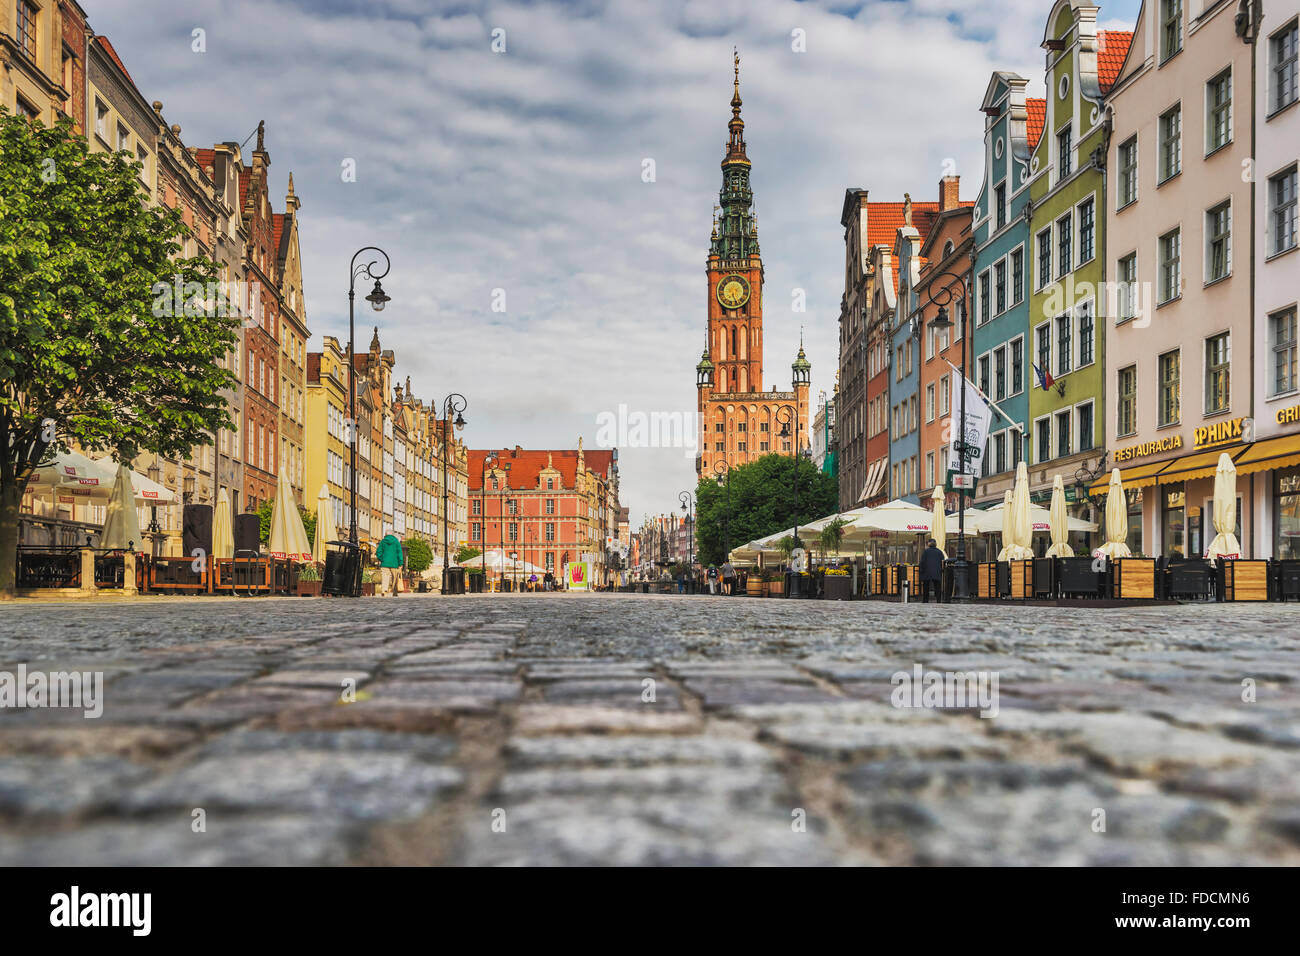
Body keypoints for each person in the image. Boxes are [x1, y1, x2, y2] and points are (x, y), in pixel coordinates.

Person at [376, 533, 404, 597]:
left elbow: (378, 552)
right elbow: (399, 553)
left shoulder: (383, 541)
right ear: (393, 535)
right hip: (395, 563)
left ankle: (384, 590)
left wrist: (381, 559)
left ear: (385, 534)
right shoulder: (396, 541)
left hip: (385, 563)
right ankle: (394, 591)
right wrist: (400, 563)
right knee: (395, 578)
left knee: (385, 577)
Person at [919, 538, 944, 604]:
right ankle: (938, 600)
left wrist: (921, 571)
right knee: (937, 587)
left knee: (926, 587)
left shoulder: (926, 552)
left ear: (929, 544)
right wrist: (941, 570)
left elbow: (922, 562)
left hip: (927, 572)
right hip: (937, 572)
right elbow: (942, 562)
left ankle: (925, 600)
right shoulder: (939, 552)